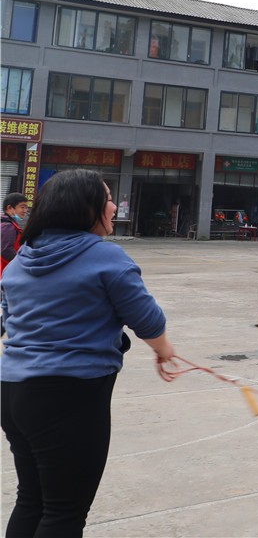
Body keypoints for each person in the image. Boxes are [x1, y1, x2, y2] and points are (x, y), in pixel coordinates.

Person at [1, 169, 176, 535]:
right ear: (87, 208)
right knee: (64, 512)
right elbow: (147, 320)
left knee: (32, 499)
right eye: (108, 199)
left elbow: (7, 318)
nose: (113, 207)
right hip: (69, 395)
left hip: (13, 392)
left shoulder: (23, 258)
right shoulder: (105, 256)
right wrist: (163, 350)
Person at [2, 192, 29, 275]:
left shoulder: (9, 224)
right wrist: (21, 264)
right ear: (9, 208)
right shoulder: (7, 225)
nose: (25, 211)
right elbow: (5, 250)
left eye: (26, 207)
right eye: (22, 207)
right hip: (6, 271)